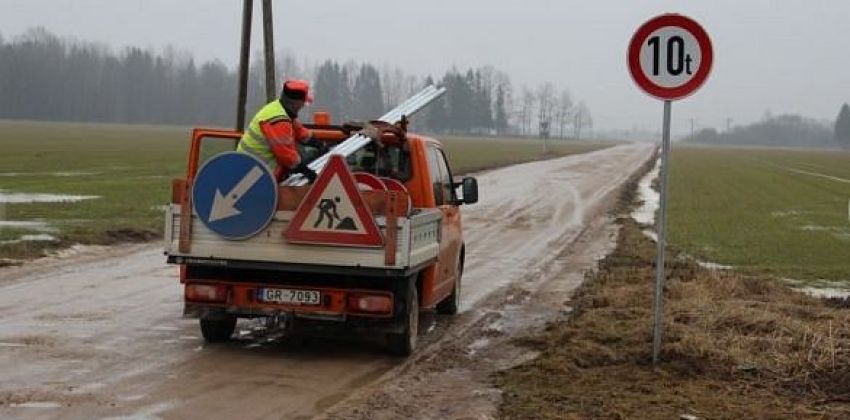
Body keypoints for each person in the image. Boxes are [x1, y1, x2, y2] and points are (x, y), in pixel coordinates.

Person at [236, 79, 321, 183]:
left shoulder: (279, 109)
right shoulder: (278, 120)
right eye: (303, 102)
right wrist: (307, 172)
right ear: (295, 103)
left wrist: (320, 144)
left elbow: (300, 131)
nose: (303, 105)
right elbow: (287, 157)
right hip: (254, 177)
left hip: (250, 169)